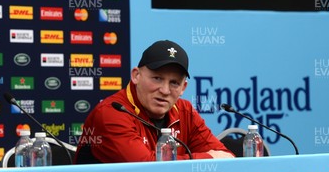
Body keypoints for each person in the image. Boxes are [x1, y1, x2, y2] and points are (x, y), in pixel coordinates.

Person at [75, 40, 234, 163]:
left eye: (174, 83)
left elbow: (226, 158)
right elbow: (146, 168)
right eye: (157, 79)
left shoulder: (185, 111)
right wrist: (209, 158)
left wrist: (214, 157)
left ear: (183, 87)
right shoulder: (112, 112)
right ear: (136, 75)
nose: (165, 91)